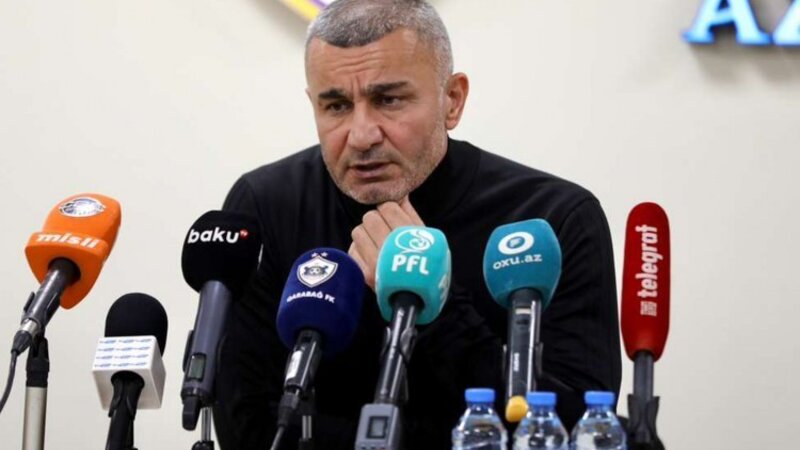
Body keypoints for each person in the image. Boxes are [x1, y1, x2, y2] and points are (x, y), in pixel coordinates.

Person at [213, 1, 621, 449]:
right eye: (337, 106)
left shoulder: (552, 218)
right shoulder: (266, 207)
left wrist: (436, 305)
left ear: (452, 100)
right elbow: (247, 425)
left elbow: (578, 428)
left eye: (388, 100)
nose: (362, 135)